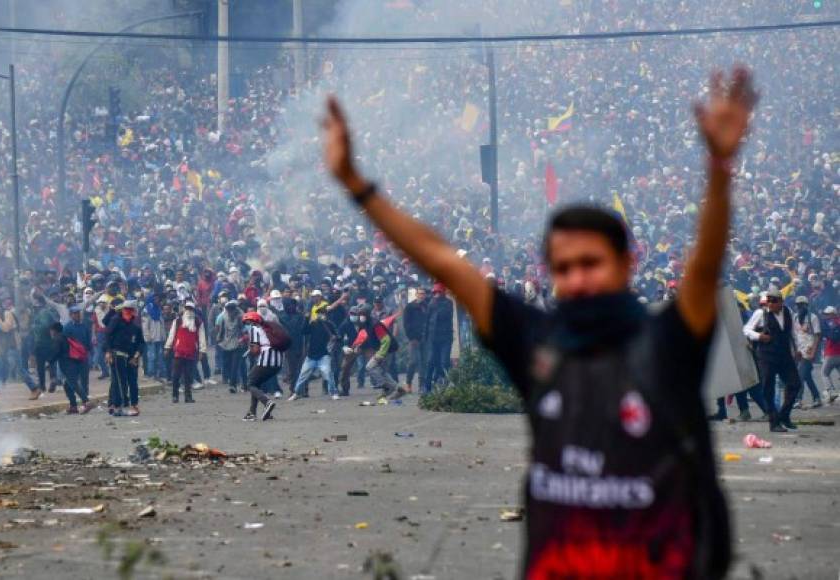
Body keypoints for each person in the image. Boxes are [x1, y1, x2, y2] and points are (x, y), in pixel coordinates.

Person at [322, 66, 757, 578]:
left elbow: (704, 268)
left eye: (591, 263)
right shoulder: (536, 342)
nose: (578, 280)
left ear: (626, 264)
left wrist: (720, 165)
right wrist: (355, 184)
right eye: (564, 268)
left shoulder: (666, 341)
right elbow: (443, 262)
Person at [743, 289, 805, 432]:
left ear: (781, 302)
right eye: (768, 301)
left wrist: (798, 349)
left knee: (795, 384)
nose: (770, 304)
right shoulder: (761, 313)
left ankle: (784, 415)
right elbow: (746, 329)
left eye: (774, 301)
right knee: (768, 388)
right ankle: (773, 422)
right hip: (766, 356)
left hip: (784, 355)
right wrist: (759, 336)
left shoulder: (788, 312)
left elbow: (793, 333)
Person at [0, 297, 38, 399]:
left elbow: (6, 328)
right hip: (1, 348)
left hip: (12, 347)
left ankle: (34, 389)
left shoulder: (7, 314)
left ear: (1, 306)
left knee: (20, 370)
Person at [289, 305, 340, 401]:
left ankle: (333, 392)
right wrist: (306, 318)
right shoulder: (313, 324)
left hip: (324, 354)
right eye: (319, 313)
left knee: (328, 373)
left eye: (322, 313)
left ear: (326, 314)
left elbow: (338, 335)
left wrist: (335, 337)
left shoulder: (329, 325)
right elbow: (303, 331)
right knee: (302, 375)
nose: (320, 315)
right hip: (311, 355)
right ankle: (296, 393)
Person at [104, 300, 145, 417]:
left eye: (130, 309)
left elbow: (141, 343)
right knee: (119, 381)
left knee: (132, 381)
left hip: (131, 357)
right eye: (125, 309)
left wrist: (137, 355)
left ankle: (133, 404)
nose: (127, 311)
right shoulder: (116, 320)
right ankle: (119, 406)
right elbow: (107, 334)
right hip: (117, 354)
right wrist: (108, 351)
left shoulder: (135, 326)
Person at [164, 301, 207, 404]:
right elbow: (171, 334)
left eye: (191, 309)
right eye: (187, 308)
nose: (189, 311)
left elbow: (202, 337)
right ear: (184, 309)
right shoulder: (177, 321)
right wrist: (167, 347)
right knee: (176, 376)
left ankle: (188, 397)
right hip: (178, 352)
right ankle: (175, 396)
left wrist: (202, 350)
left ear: (194, 310)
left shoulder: (198, 322)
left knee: (188, 376)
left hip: (191, 352)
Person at [242, 310, 280, 422]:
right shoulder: (269, 327)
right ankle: (252, 413)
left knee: (249, 383)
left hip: (266, 360)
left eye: (248, 322)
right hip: (277, 361)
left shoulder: (255, 328)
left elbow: (256, 349)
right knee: (256, 383)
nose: (248, 325)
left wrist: (251, 348)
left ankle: (267, 402)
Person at [49, 319, 92, 414]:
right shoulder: (65, 336)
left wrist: (49, 361)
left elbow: (56, 352)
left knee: (74, 384)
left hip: (68, 365)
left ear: (54, 330)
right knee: (67, 386)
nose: (50, 332)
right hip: (75, 362)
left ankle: (86, 402)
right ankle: (73, 406)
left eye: (51, 330)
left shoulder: (57, 338)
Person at [423, 283, 454, 393]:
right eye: (435, 292)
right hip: (433, 338)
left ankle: (443, 384)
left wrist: (435, 303)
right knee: (430, 362)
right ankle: (427, 386)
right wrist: (425, 337)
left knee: (444, 362)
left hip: (445, 338)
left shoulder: (448, 303)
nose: (436, 294)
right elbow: (427, 321)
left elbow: (444, 315)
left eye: (438, 292)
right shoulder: (431, 304)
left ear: (443, 292)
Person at [792, 296, 821, 408]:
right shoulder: (795, 318)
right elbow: (796, 335)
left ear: (806, 305)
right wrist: (796, 350)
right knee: (807, 376)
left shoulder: (813, 318)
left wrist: (814, 352)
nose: (800, 307)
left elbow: (817, 336)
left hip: (809, 351)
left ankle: (798, 399)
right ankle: (817, 397)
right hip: (800, 350)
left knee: (800, 375)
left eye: (802, 305)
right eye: (798, 305)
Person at [63, 305, 93, 410]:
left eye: (78, 313)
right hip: (72, 359)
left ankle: (84, 403)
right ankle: (74, 405)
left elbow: (89, 342)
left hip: (83, 357)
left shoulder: (85, 326)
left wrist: (89, 352)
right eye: (75, 313)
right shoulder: (67, 327)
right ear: (71, 315)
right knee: (68, 383)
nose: (77, 315)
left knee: (84, 380)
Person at [402, 287, 429, 392]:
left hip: (424, 338)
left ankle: (421, 385)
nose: (422, 295)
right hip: (414, 339)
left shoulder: (427, 306)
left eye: (423, 293)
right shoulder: (410, 307)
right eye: (420, 293)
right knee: (413, 361)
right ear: (416, 294)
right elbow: (406, 324)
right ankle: (408, 382)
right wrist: (411, 337)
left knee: (423, 362)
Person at [217, 300, 246, 394]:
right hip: (226, 344)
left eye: (231, 310)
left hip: (238, 344)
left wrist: (243, 338)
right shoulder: (223, 317)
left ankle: (233, 385)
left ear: (235, 310)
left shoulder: (241, 317)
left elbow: (245, 330)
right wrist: (219, 339)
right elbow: (220, 329)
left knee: (235, 365)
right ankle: (233, 381)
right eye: (228, 310)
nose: (230, 312)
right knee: (227, 364)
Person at [821, 306, 839, 401]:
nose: (826, 316)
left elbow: (831, 336)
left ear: (832, 314)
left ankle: (830, 392)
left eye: (827, 314)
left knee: (824, 373)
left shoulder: (831, 322)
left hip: (832, 352)